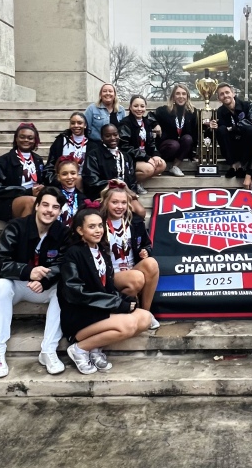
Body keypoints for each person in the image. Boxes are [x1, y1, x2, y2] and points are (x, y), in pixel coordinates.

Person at [0, 187, 69, 378]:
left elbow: (65, 264)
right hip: (17, 283)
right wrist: (29, 271)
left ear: (60, 211)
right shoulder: (16, 227)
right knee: (0, 285)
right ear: (36, 206)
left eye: (55, 207)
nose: (49, 210)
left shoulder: (63, 233)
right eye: (45, 204)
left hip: (41, 287)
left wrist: (45, 281)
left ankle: (48, 350)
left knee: (64, 289)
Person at [57, 205, 154, 375]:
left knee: (145, 318)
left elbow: (107, 287)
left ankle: (94, 348)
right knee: (129, 324)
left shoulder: (102, 251)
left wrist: (123, 299)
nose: (98, 230)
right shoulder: (73, 253)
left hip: (100, 310)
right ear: (80, 230)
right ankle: (79, 349)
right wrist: (117, 304)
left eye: (100, 225)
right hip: (80, 315)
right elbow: (75, 292)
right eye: (91, 226)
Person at [99, 183, 162, 330]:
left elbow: (147, 244)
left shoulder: (135, 221)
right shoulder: (98, 222)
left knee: (151, 263)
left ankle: (145, 314)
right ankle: (126, 311)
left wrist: (145, 251)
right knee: (136, 278)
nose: (119, 206)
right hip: (110, 274)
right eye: (114, 202)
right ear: (106, 202)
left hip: (131, 267)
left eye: (123, 202)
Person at [82, 123, 146, 218]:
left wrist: (129, 192)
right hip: (104, 193)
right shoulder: (94, 155)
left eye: (115, 134)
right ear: (102, 138)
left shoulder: (126, 156)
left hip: (124, 193)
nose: (113, 138)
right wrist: (114, 184)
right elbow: (92, 181)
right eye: (108, 136)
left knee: (140, 212)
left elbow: (132, 181)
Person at [0, 122, 46, 221]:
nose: (26, 140)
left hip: (33, 197)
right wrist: (25, 191)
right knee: (31, 201)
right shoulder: (4, 161)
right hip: (7, 202)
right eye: (22, 137)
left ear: (35, 140)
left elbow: (43, 180)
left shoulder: (37, 160)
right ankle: (23, 234)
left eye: (30, 138)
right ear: (16, 139)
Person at [118, 95, 166, 194]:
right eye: (136, 106)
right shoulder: (125, 123)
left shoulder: (147, 122)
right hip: (130, 157)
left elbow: (151, 143)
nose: (139, 109)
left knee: (162, 164)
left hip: (144, 156)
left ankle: (137, 183)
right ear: (130, 107)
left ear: (145, 107)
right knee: (149, 169)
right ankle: (130, 184)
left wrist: (155, 155)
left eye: (142, 106)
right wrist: (146, 158)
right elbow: (125, 147)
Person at [208, 83, 252, 179]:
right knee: (221, 129)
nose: (225, 95)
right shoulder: (219, 112)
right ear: (219, 99)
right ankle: (233, 165)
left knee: (250, 129)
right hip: (231, 148)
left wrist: (232, 128)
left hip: (246, 145)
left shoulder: (247, 105)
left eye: (227, 92)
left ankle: (242, 166)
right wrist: (211, 128)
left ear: (233, 93)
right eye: (222, 94)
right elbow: (215, 134)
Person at [153, 83, 198, 177]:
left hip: (182, 150)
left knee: (188, 138)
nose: (181, 96)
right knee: (174, 145)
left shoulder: (192, 112)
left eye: (183, 94)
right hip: (167, 146)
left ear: (187, 96)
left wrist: (193, 154)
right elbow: (150, 117)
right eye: (177, 93)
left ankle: (175, 166)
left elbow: (195, 132)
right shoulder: (163, 110)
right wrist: (156, 124)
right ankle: (162, 165)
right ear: (173, 96)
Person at [43, 112, 89, 185]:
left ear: (85, 125)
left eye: (79, 123)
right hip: (62, 180)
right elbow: (50, 166)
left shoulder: (92, 144)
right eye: (73, 123)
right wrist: (57, 181)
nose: (76, 125)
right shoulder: (60, 141)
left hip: (84, 183)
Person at [51, 157, 87, 227]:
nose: (69, 177)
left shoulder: (83, 199)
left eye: (73, 173)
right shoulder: (52, 195)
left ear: (77, 175)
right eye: (64, 174)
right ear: (58, 177)